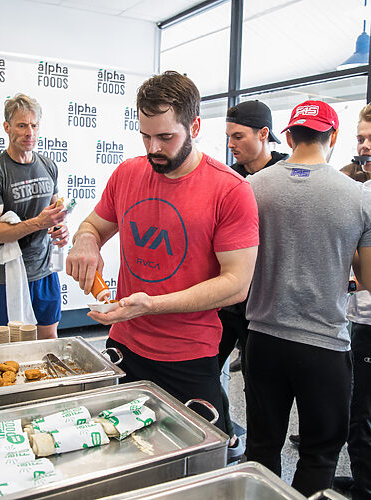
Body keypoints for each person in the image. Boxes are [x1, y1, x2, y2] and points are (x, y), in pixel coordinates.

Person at [66, 71, 259, 431]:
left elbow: (236, 284)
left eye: (166, 137)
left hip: (188, 355)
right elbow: (93, 225)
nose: (153, 148)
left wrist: (153, 304)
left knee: (192, 456)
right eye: (145, 136)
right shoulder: (127, 174)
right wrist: (85, 241)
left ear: (195, 126)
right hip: (124, 344)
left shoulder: (231, 190)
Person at [244, 100, 371, 496]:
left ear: (288, 137)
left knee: (261, 447)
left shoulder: (253, 187)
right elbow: (368, 280)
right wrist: (341, 245)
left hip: (262, 338)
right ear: (333, 136)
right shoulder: (359, 197)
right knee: (319, 454)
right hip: (323, 346)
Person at [220, 101, 288, 460]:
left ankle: (260, 457)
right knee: (203, 369)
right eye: (228, 136)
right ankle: (224, 435)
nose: (231, 144)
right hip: (227, 298)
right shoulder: (228, 178)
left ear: (264, 134)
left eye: (238, 136)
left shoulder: (287, 175)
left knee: (259, 387)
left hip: (263, 304)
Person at [0, 94, 68, 339]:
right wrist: (39, 223)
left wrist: (60, 229)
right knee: (9, 346)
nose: (29, 133)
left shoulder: (48, 166)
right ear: (7, 127)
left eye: (34, 125)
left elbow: (55, 212)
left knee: (49, 340)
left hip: (44, 271)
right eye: (22, 125)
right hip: (6, 277)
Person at [333, 102, 371, 500]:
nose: (364, 147)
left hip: (370, 323)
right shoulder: (364, 191)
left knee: (362, 414)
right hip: (361, 318)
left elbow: (367, 276)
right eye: (361, 138)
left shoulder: (365, 197)